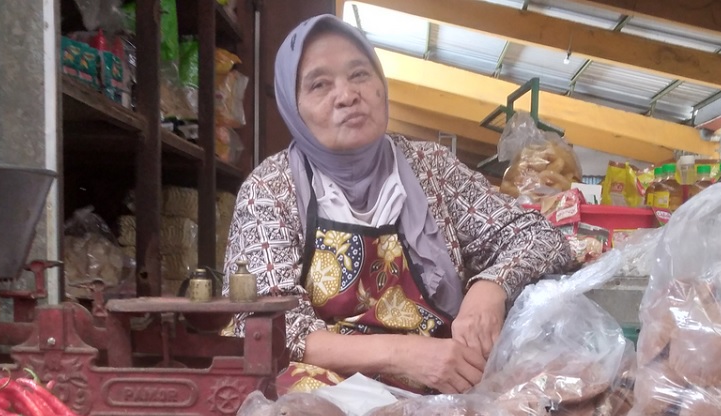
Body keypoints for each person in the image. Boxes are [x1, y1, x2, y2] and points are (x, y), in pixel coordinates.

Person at [223, 14, 571, 395]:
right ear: (294, 107)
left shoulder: (432, 168)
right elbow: (259, 325)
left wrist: (490, 287)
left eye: (359, 75)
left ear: (380, 86)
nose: (347, 95)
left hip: (442, 382)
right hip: (323, 390)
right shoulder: (271, 187)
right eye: (319, 84)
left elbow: (539, 237)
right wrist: (403, 353)